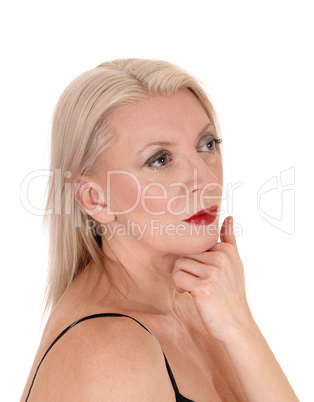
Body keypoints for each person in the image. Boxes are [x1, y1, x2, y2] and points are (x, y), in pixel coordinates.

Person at [21, 58, 298, 401]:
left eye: (207, 144)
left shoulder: (198, 297)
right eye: (160, 160)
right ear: (96, 200)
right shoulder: (110, 353)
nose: (206, 180)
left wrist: (240, 327)